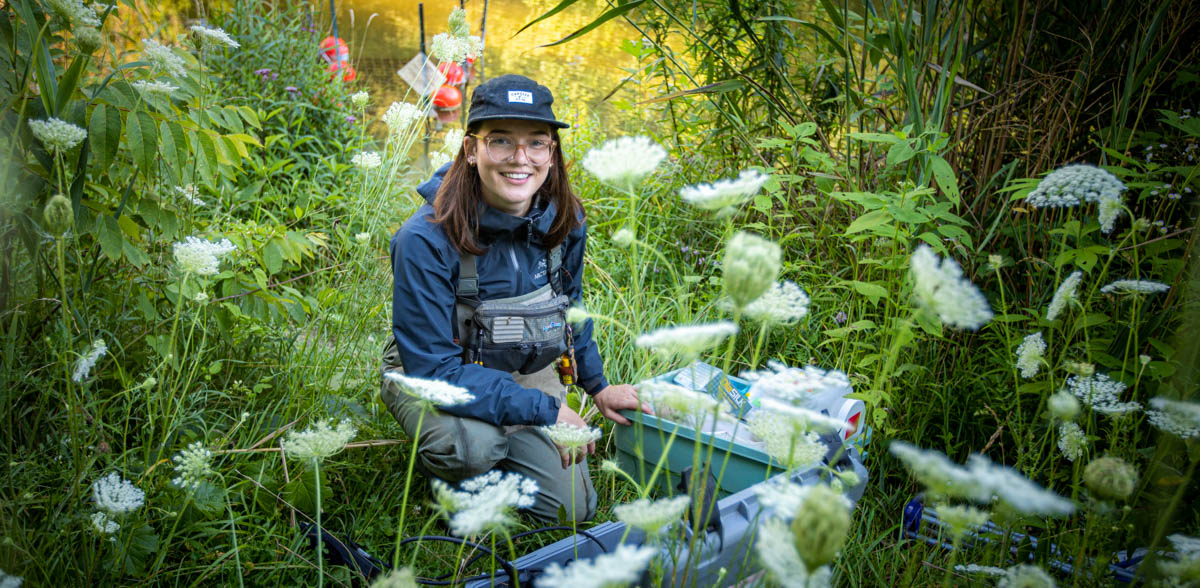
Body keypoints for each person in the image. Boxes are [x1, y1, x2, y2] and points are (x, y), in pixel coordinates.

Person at [380, 74, 648, 523]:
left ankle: (504, 449)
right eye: (501, 141)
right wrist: (548, 409)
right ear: (471, 150)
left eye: (537, 143)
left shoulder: (566, 221)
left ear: (552, 152)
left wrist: (598, 387)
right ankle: (458, 473)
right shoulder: (422, 239)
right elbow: (434, 368)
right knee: (470, 448)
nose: (520, 159)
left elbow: (570, 311)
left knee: (571, 512)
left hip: (520, 363)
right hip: (435, 370)